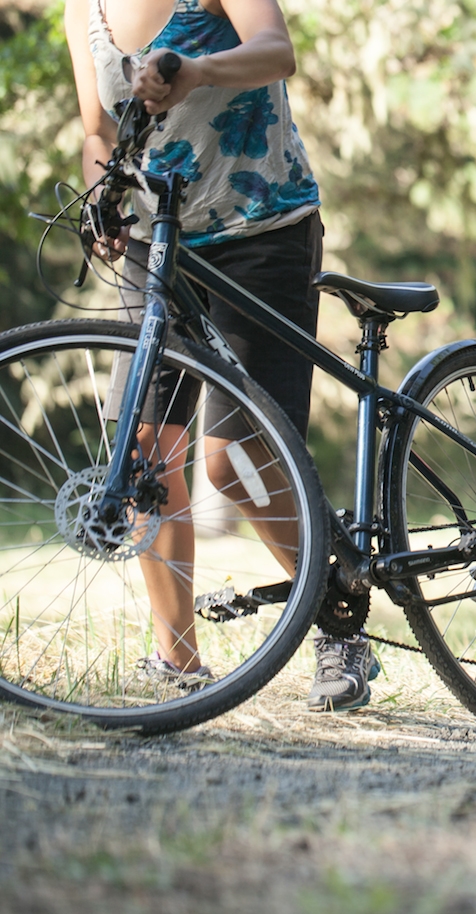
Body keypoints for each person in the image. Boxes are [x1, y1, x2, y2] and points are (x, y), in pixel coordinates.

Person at [64, 0, 375, 711]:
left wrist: (196, 69)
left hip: (259, 226)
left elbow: (276, 49)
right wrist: (103, 197)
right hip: (158, 236)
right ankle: (176, 658)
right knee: (144, 453)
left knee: (234, 461)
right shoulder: (81, 9)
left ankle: (338, 615)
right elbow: (98, 130)